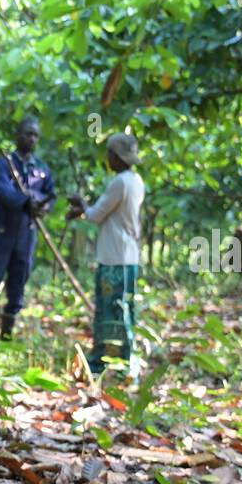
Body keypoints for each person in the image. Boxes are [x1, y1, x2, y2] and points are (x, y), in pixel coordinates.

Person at [0, 116, 56, 340]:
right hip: (2, 233)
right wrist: (25, 201)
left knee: (18, 284)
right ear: (18, 136)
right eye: (28, 134)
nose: (32, 139)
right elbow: (4, 192)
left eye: (36, 135)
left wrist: (41, 206)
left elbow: (50, 195)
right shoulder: (2, 165)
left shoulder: (42, 170)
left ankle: (6, 337)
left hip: (26, 234)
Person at [67, 132, 145, 375]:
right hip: (128, 256)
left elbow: (97, 214)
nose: (108, 158)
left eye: (111, 154)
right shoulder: (136, 181)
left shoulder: (120, 182)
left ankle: (108, 360)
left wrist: (82, 205)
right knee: (123, 307)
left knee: (111, 308)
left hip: (114, 256)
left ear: (118, 157)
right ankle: (121, 358)